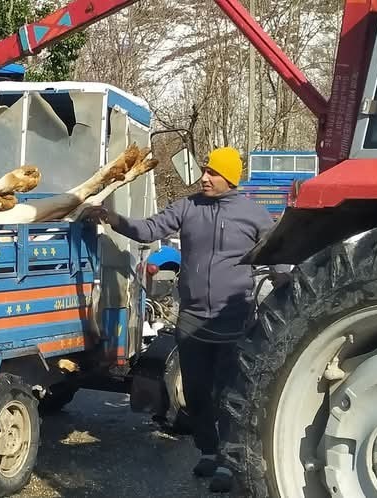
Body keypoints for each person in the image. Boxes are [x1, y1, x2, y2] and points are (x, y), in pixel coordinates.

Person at [82, 146, 285, 493]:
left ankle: (229, 461)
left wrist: (286, 289)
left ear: (230, 178)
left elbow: (279, 257)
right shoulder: (188, 207)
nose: (204, 177)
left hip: (233, 319)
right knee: (195, 393)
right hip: (191, 318)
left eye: (213, 173)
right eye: (205, 170)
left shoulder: (255, 215)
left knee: (230, 396)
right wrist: (112, 219)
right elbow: (149, 230)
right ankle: (208, 451)